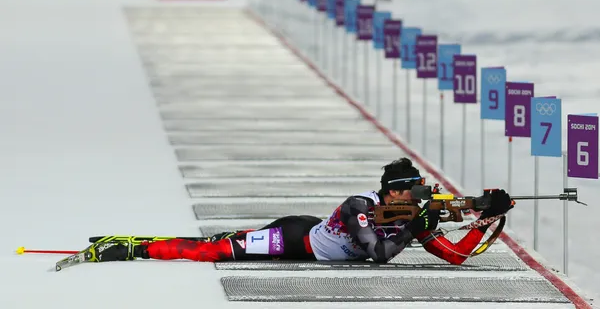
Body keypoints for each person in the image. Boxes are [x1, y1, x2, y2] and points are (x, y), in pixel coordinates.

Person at [91, 158, 513, 265]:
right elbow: (377, 255)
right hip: (294, 239)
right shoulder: (359, 206)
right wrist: (416, 227)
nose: (418, 198)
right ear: (393, 192)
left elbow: (455, 256)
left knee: (218, 243)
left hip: (311, 232)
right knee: (211, 252)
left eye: (421, 192)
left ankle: (143, 244)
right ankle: (132, 249)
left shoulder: (410, 214)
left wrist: (484, 219)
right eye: (412, 193)